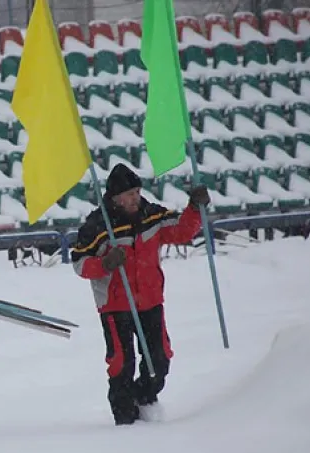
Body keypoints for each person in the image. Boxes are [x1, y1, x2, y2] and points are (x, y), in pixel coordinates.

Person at [70, 163, 210, 426]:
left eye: (137, 191)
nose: (135, 198)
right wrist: (105, 264)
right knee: (121, 364)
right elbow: (79, 264)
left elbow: (181, 231)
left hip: (150, 301)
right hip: (115, 306)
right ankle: (126, 421)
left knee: (160, 359)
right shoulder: (97, 225)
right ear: (115, 197)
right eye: (129, 194)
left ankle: (144, 400)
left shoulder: (151, 215)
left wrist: (195, 208)